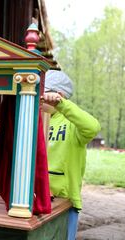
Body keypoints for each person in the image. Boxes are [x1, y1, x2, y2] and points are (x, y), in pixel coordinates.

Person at [42, 70, 101, 240]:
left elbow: (93, 127)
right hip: (40, 195)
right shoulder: (39, 118)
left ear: (57, 95)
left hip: (65, 199)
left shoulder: (73, 123)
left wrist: (62, 105)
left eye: (42, 93)